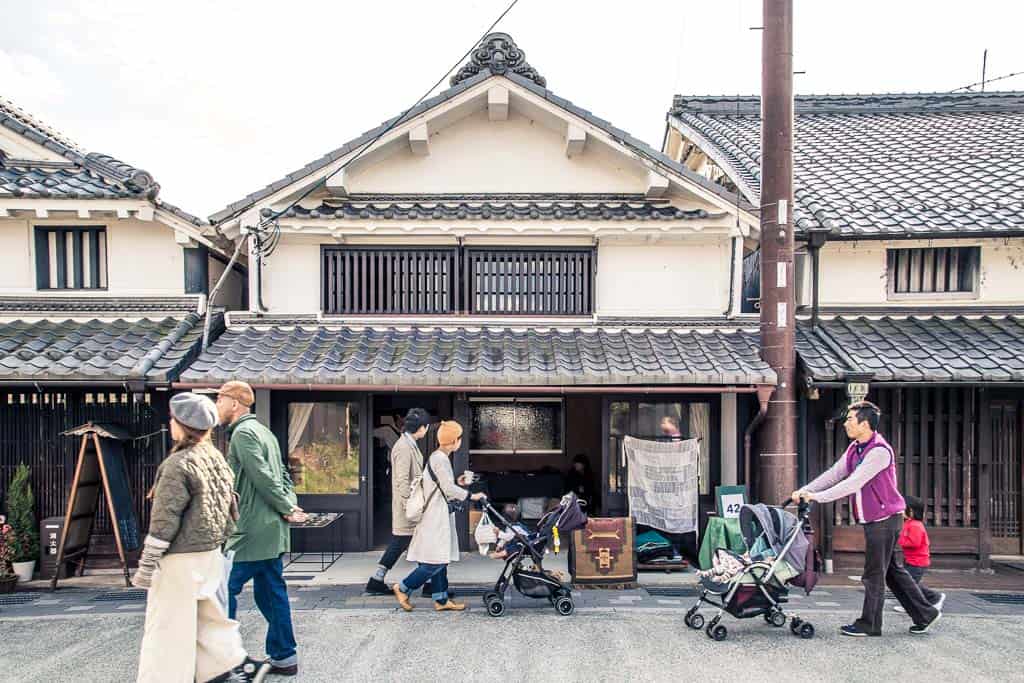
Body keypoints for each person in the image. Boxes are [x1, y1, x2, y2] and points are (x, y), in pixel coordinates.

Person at [133, 392, 269, 683]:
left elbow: (164, 520)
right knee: (209, 622)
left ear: (181, 425)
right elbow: (231, 506)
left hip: (180, 559)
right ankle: (234, 666)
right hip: (210, 554)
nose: (171, 423)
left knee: (166, 630)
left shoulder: (177, 464)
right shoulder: (216, 457)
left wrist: (146, 566)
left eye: (173, 419)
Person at [792, 401, 942, 637]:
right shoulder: (855, 448)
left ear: (864, 423)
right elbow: (835, 473)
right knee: (891, 571)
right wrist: (804, 490)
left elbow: (853, 483)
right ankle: (925, 614)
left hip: (884, 519)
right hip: (877, 520)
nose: (845, 423)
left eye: (850, 419)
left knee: (874, 574)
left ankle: (869, 624)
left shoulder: (879, 451)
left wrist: (815, 497)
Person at [216, 381, 305, 677]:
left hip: (249, 530)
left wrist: (286, 507)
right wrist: (289, 504)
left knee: (223, 592)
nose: (217, 405)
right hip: (273, 530)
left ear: (234, 403)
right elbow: (282, 475)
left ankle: (223, 660)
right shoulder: (265, 432)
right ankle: (284, 656)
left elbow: (262, 477)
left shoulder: (242, 434)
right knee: (271, 593)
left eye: (219, 399)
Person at [393, 420, 484, 612]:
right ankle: (403, 587)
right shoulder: (440, 459)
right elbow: (448, 490)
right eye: (459, 438)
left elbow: (442, 484)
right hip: (434, 518)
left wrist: (458, 481)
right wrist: (471, 495)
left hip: (437, 515)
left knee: (439, 558)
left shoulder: (439, 457)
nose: (460, 441)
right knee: (435, 561)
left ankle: (441, 600)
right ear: (454, 441)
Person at [366, 408, 436, 596]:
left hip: (411, 505)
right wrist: (409, 506)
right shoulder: (404, 447)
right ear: (421, 428)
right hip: (409, 506)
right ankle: (429, 584)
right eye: (426, 427)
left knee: (408, 543)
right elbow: (402, 481)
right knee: (412, 543)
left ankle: (377, 580)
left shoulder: (408, 443)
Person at [895, 495, 946, 613]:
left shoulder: (915, 525)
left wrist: (899, 539)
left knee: (910, 585)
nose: (900, 511)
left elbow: (914, 543)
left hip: (918, 562)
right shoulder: (909, 523)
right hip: (911, 560)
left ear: (911, 511)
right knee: (908, 584)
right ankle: (909, 605)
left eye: (902, 509)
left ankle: (935, 597)